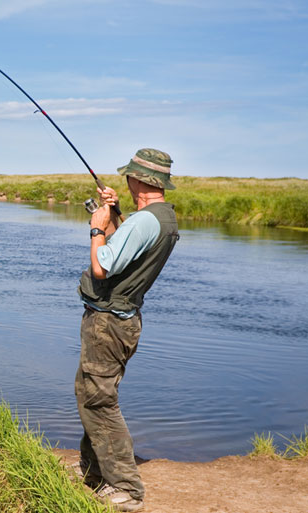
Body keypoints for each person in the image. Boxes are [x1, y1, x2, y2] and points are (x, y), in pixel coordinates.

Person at [74, 148, 180, 512]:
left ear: (141, 180)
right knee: (90, 391)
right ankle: (93, 470)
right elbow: (126, 249)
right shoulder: (160, 217)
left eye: (129, 176)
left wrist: (97, 226)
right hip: (120, 321)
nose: (125, 180)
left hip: (109, 324)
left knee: (100, 399)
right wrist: (116, 213)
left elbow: (103, 266)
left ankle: (126, 488)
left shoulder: (145, 221)